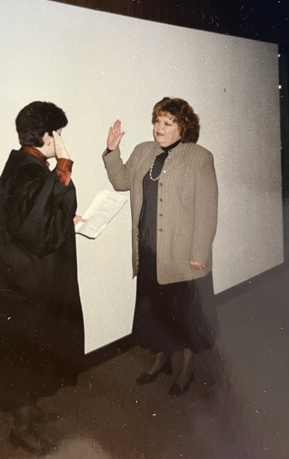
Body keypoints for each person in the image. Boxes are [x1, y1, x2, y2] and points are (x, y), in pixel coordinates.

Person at [0, 101, 84, 454]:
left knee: (36, 348)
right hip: (22, 285)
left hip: (25, 277)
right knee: (24, 353)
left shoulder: (26, 165)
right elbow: (37, 232)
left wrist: (64, 221)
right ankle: (21, 429)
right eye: (58, 133)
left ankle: (32, 410)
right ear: (47, 135)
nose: (60, 138)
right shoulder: (28, 171)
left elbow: (33, 220)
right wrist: (65, 163)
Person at [103, 97, 218, 397]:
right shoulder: (143, 151)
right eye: (157, 121)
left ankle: (187, 366)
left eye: (168, 123)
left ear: (184, 127)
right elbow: (120, 182)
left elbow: (207, 210)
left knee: (186, 313)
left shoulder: (199, 157)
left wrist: (199, 253)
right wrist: (112, 151)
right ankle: (160, 359)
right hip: (149, 250)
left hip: (182, 255)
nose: (159, 128)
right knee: (154, 311)